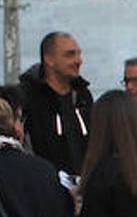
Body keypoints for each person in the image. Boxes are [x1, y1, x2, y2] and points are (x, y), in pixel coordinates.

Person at [20, 31, 93, 177]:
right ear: (49, 59)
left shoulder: (83, 96)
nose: (78, 60)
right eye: (70, 55)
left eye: (79, 54)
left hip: (85, 183)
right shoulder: (28, 98)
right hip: (45, 183)